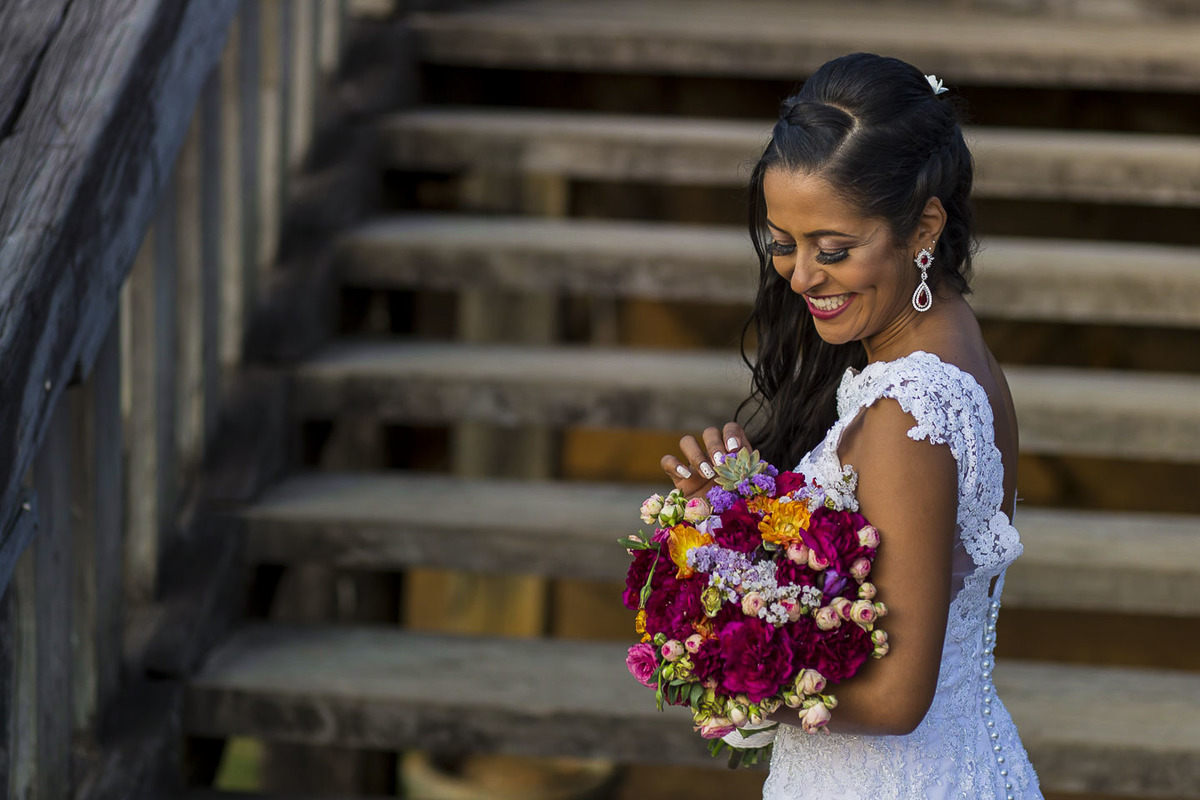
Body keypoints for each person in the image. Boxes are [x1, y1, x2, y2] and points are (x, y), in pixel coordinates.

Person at [658, 53, 1043, 799]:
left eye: (832, 250)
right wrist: (743, 513)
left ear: (923, 226)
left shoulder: (908, 414)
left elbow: (897, 699)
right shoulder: (947, 346)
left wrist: (718, 667)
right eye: (783, 244)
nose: (801, 277)